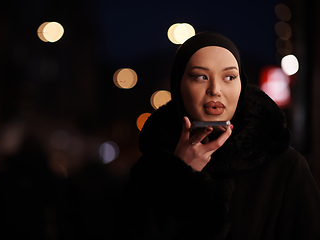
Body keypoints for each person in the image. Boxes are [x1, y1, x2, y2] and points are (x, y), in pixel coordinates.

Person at [123, 32, 320, 240]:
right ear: (179, 86)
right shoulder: (150, 170)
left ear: (241, 85)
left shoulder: (285, 167)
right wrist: (178, 174)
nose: (215, 89)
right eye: (200, 76)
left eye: (229, 77)